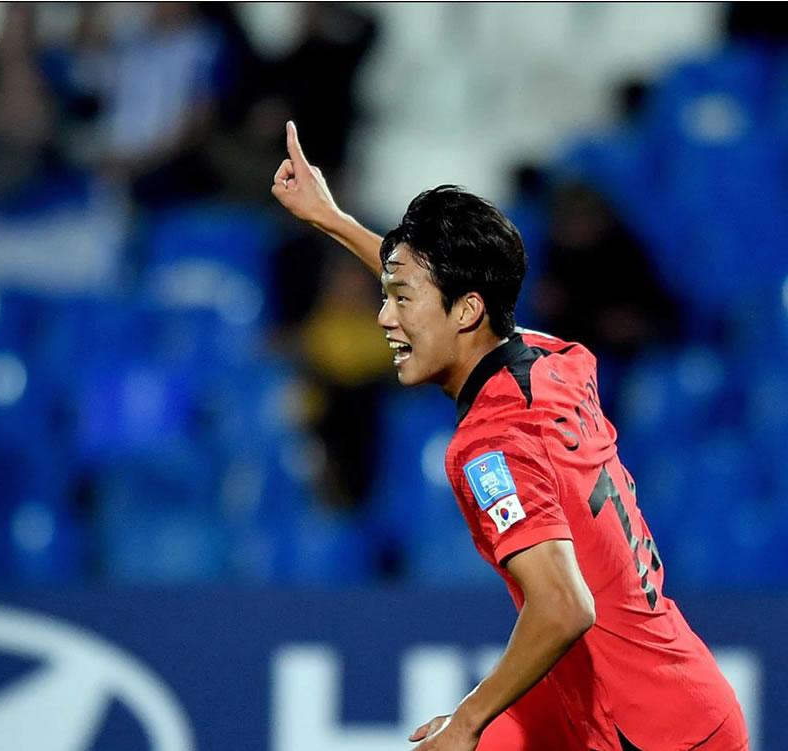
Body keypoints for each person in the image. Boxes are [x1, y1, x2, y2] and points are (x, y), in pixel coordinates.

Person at [271, 122, 747, 750]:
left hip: (651, 732)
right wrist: (331, 218)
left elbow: (564, 606)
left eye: (400, 299)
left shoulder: (489, 447)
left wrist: (467, 721)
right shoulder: (556, 358)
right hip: (655, 688)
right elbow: (449, 289)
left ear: (466, 311)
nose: (383, 316)